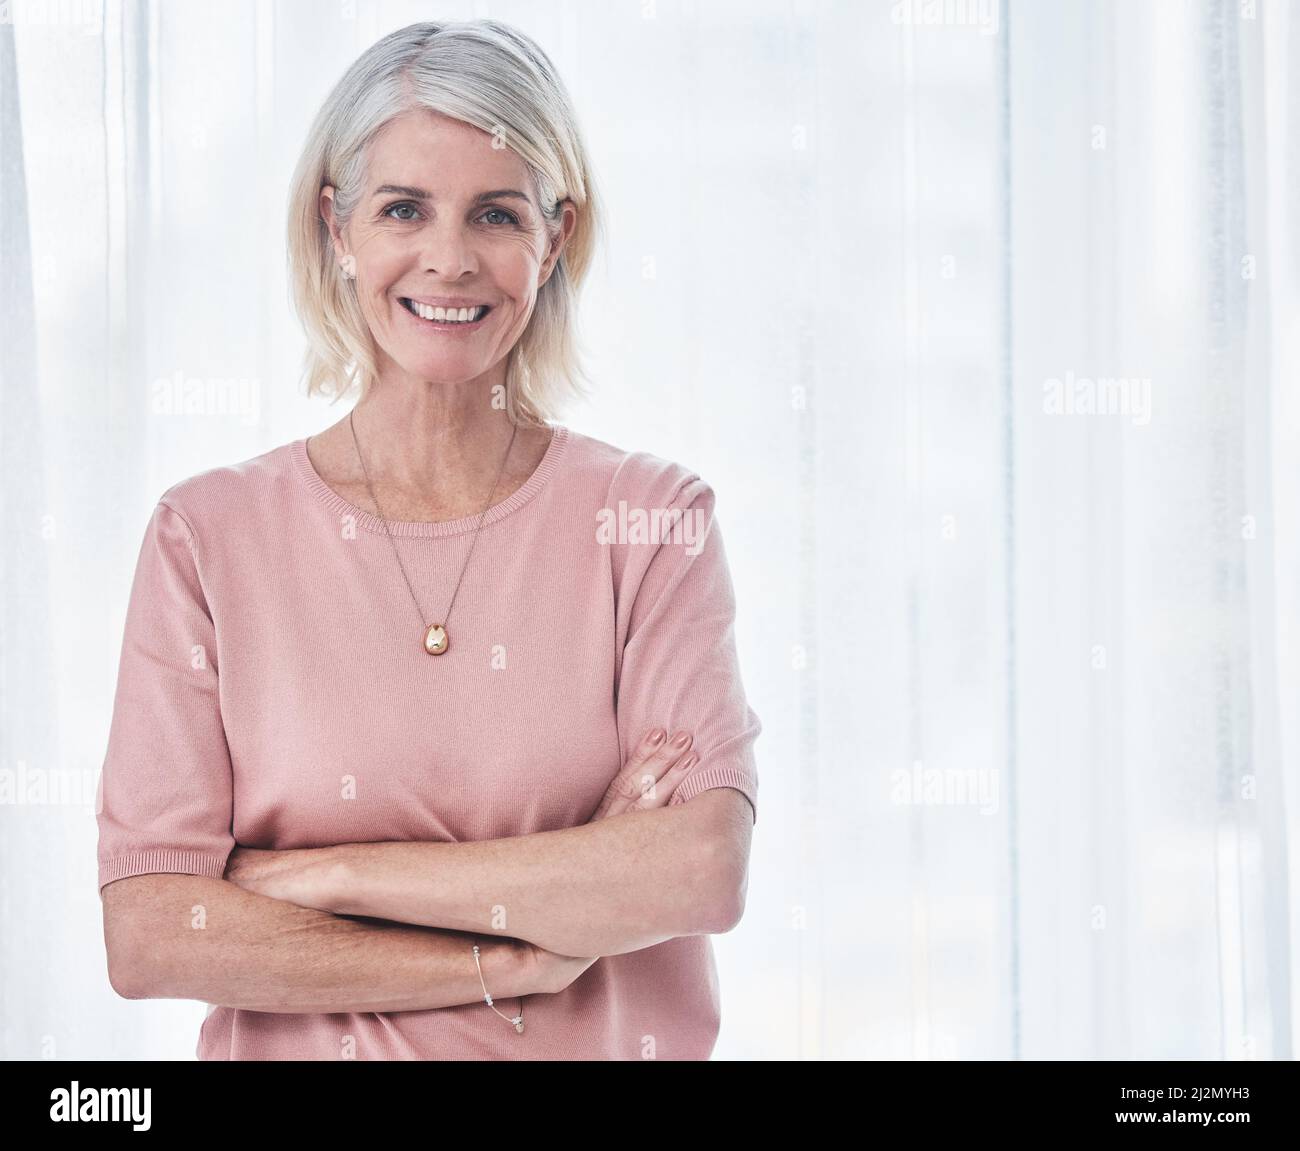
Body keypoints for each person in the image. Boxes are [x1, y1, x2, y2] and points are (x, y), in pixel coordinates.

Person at [95, 19, 761, 1061]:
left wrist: (329, 873)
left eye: (495, 213)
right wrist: (515, 951)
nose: (448, 259)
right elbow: (149, 932)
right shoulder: (206, 539)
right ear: (337, 228)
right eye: (404, 207)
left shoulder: (651, 523)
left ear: (557, 238)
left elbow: (697, 871)